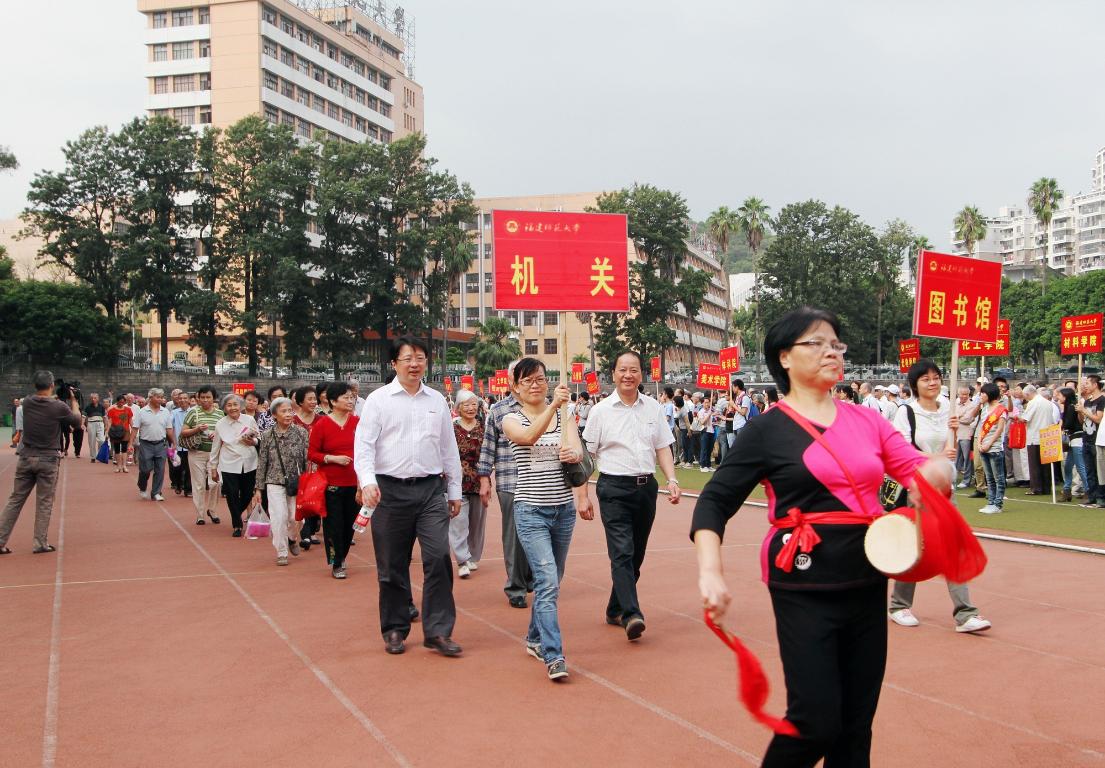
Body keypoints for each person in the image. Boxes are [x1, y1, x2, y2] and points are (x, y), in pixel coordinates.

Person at [692, 307, 950, 767]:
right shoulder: (767, 428)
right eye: (816, 343)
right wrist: (710, 571)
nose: (832, 351)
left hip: (867, 578)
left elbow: (919, 469)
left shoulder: (868, 421)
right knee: (815, 721)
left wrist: (939, 473)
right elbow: (715, 500)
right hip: (803, 584)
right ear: (784, 357)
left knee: (855, 727)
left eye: (836, 344)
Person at [355, 337, 464, 657]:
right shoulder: (378, 400)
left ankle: (438, 631)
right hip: (389, 492)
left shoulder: (437, 400)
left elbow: (448, 448)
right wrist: (367, 482)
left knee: (438, 557)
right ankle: (394, 627)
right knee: (391, 564)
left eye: (420, 358)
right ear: (394, 364)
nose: (414, 364)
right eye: (407, 359)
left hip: (430, 490)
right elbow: (364, 446)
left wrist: (454, 490)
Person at [502, 358, 594, 680]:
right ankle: (553, 655)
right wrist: (554, 405)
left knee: (551, 581)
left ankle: (533, 637)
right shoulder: (510, 418)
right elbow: (528, 437)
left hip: (562, 510)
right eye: (527, 380)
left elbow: (577, 451)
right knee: (547, 581)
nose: (535, 385)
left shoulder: (565, 415)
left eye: (540, 378)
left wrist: (574, 453)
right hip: (531, 510)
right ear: (515, 387)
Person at [887, 360, 992, 633]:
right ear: (915, 384)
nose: (932, 382)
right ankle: (899, 605)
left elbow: (952, 450)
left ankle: (965, 613)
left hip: (944, 487)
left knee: (952, 544)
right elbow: (900, 451)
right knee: (917, 545)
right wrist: (935, 456)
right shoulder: (907, 412)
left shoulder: (948, 407)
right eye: (926, 379)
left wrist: (954, 431)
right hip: (917, 487)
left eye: (936, 377)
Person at [583, 350, 681, 641]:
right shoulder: (600, 411)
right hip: (613, 488)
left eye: (634, 370)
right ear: (613, 373)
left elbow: (662, 447)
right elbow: (587, 456)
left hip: (646, 488)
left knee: (636, 555)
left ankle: (615, 608)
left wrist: (672, 479)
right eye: (623, 369)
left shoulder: (653, 408)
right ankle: (631, 614)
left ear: (642, 374)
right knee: (622, 552)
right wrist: (582, 494)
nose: (628, 375)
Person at [0, 371, 82, 555]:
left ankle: (0, 539)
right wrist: (74, 400)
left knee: (15, 500)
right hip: (48, 459)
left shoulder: (28, 402)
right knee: (44, 502)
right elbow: (77, 422)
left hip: (26, 456)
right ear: (51, 385)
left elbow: (45, 400)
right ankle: (40, 542)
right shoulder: (59, 407)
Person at [478, 360, 535, 609]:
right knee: (514, 536)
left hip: (542, 482)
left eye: (534, 377)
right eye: (523, 377)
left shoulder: (545, 408)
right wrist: (484, 479)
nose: (530, 383)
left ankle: (530, 576)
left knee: (539, 534)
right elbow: (488, 446)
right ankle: (516, 587)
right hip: (511, 481)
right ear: (512, 381)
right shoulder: (499, 410)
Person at [308, 382, 360, 577]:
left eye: (352, 397)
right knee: (333, 525)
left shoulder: (358, 423)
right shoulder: (322, 424)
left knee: (350, 524)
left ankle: (342, 555)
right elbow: (312, 453)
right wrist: (332, 458)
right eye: (346, 397)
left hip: (355, 484)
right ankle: (336, 562)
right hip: (331, 485)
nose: (350, 400)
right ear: (333, 401)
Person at [252, 397, 307, 566]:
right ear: (274, 415)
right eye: (284, 411)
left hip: (296, 481)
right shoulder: (267, 435)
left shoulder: (301, 432)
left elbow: (307, 458)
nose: (288, 414)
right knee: (279, 517)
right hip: (274, 480)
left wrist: (308, 481)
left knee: (296, 518)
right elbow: (262, 462)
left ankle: (292, 538)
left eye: (290, 410)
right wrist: (258, 489)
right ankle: (281, 551)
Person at [208, 394, 258, 536]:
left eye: (235, 405)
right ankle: (237, 525)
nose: (233, 408)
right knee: (232, 494)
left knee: (248, 493)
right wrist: (213, 468)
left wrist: (253, 441)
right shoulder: (220, 424)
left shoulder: (249, 420)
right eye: (229, 405)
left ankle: (237, 513)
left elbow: (258, 438)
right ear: (224, 408)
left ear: (240, 406)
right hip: (229, 464)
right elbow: (215, 447)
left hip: (249, 462)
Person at [449, 389, 486, 579]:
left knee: (477, 523)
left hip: (480, 481)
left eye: (474, 404)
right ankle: (462, 560)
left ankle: (473, 556)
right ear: (459, 407)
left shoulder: (484, 428)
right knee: (459, 522)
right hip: (458, 481)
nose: (471, 408)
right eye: (466, 404)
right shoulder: (452, 428)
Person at [180, 385, 223, 525]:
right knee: (198, 485)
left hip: (215, 454)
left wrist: (216, 434)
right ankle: (200, 514)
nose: (205, 400)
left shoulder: (220, 414)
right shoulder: (193, 412)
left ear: (213, 398)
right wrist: (197, 429)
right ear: (198, 398)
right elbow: (183, 432)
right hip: (196, 452)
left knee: (215, 483)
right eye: (202, 397)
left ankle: (212, 510)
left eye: (208, 397)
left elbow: (226, 433)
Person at [292, 386, 323, 549]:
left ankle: (309, 530)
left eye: (314, 399)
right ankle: (304, 532)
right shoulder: (292, 421)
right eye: (309, 399)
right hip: (298, 466)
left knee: (314, 497)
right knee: (301, 498)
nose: (313, 402)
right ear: (300, 402)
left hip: (317, 466)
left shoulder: (321, 420)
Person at [130, 388, 175, 502]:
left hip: (161, 444)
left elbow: (169, 429)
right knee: (145, 469)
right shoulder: (142, 412)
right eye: (158, 397)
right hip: (146, 444)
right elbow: (135, 428)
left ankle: (156, 492)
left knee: (160, 469)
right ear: (150, 398)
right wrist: (130, 443)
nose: (160, 399)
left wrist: (174, 442)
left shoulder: (165, 412)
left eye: (162, 397)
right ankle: (142, 485)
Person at [976, 382, 1009, 514]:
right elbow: (981, 427)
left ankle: (997, 504)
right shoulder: (984, 409)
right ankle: (990, 502)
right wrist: (979, 443)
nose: (981, 396)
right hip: (983, 446)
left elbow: (999, 430)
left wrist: (988, 444)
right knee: (989, 478)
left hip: (995, 448)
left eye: (983, 393)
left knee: (998, 478)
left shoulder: (1001, 410)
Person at [1021, 384, 1056, 495]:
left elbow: (1025, 418)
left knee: (1034, 464)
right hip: (1047, 435)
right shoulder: (1048, 403)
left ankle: (1036, 488)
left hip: (1034, 436)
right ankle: (1046, 487)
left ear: (1027, 394)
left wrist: (1016, 417)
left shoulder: (1033, 402)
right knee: (1046, 464)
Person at [1077, 376, 1105, 508]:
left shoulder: (1102, 400)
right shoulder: (1088, 401)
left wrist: (1084, 411)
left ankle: (1100, 497)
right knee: (1089, 470)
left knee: (1099, 471)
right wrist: (1080, 411)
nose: (1085, 386)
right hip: (1086, 438)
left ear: (1095, 385)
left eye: (1088, 383)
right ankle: (1092, 495)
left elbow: (1098, 419)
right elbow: (1082, 421)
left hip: (1097, 439)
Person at [1058, 387, 1088, 503]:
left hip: (1077, 438)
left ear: (1065, 396)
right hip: (1073, 439)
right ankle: (1067, 490)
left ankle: (1088, 490)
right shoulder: (1070, 407)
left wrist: (1061, 425)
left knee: (1080, 466)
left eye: (1060, 395)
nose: (1058, 397)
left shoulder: (1071, 407)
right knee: (1068, 466)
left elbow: (1069, 424)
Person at [954, 386, 980, 488]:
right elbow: (951, 416)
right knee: (956, 458)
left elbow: (968, 419)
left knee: (967, 459)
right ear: (958, 394)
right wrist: (960, 416)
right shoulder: (955, 404)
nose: (964, 396)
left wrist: (957, 417)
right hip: (956, 434)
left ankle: (966, 480)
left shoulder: (972, 405)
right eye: (962, 394)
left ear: (969, 395)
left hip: (966, 435)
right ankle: (953, 479)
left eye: (966, 394)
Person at [167, 389, 191, 496]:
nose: (182, 400)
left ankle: (188, 489)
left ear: (189, 400)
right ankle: (177, 484)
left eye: (185, 398)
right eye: (180, 398)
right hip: (177, 445)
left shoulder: (193, 412)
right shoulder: (174, 413)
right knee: (177, 467)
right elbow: (170, 427)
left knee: (189, 468)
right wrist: (173, 442)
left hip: (190, 446)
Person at [105, 395, 133, 474]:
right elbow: (110, 421)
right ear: (117, 402)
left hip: (125, 431)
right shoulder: (112, 410)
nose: (121, 403)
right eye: (120, 402)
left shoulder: (128, 409)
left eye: (123, 402)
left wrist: (134, 430)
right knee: (116, 448)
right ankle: (118, 466)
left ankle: (124, 466)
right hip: (115, 431)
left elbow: (130, 421)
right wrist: (107, 431)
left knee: (124, 448)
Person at [83, 392, 107, 464]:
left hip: (100, 423)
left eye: (95, 398)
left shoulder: (101, 407)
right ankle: (93, 457)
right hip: (91, 423)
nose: (93, 399)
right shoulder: (88, 407)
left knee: (102, 440)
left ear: (98, 398)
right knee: (91, 441)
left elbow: (104, 417)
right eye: (92, 398)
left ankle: (99, 455)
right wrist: (85, 425)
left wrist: (105, 425)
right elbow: (85, 417)